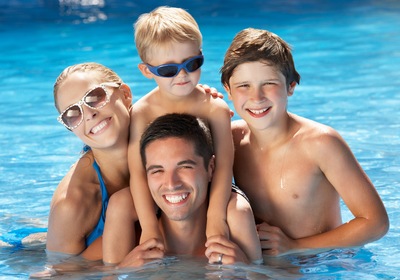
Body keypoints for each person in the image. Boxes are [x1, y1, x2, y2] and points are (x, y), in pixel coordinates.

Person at [220, 28, 389, 256]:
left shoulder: (320, 143)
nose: (256, 97)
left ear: (291, 87)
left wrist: (295, 247)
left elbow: (375, 222)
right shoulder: (230, 140)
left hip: (323, 262)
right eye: (244, 86)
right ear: (228, 90)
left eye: (268, 83)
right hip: (268, 264)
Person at [127, 6, 234, 258]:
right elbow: (137, 173)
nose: (183, 75)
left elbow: (225, 167)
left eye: (192, 63)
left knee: (239, 211)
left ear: (200, 55)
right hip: (164, 192)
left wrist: (216, 218)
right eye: (168, 70)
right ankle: (111, 270)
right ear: (146, 71)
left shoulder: (214, 107)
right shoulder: (142, 112)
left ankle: (252, 269)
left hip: (208, 190)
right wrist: (149, 227)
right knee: (120, 206)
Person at [119, 113, 262, 267]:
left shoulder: (238, 240)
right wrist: (121, 273)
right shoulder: (130, 242)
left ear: (211, 168)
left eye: (185, 167)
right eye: (157, 171)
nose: (171, 184)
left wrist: (247, 272)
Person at [47, 62, 137, 261]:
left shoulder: (163, 134)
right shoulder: (72, 205)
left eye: (95, 97)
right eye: (72, 114)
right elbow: (60, 273)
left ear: (125, 94)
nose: (88, 114)